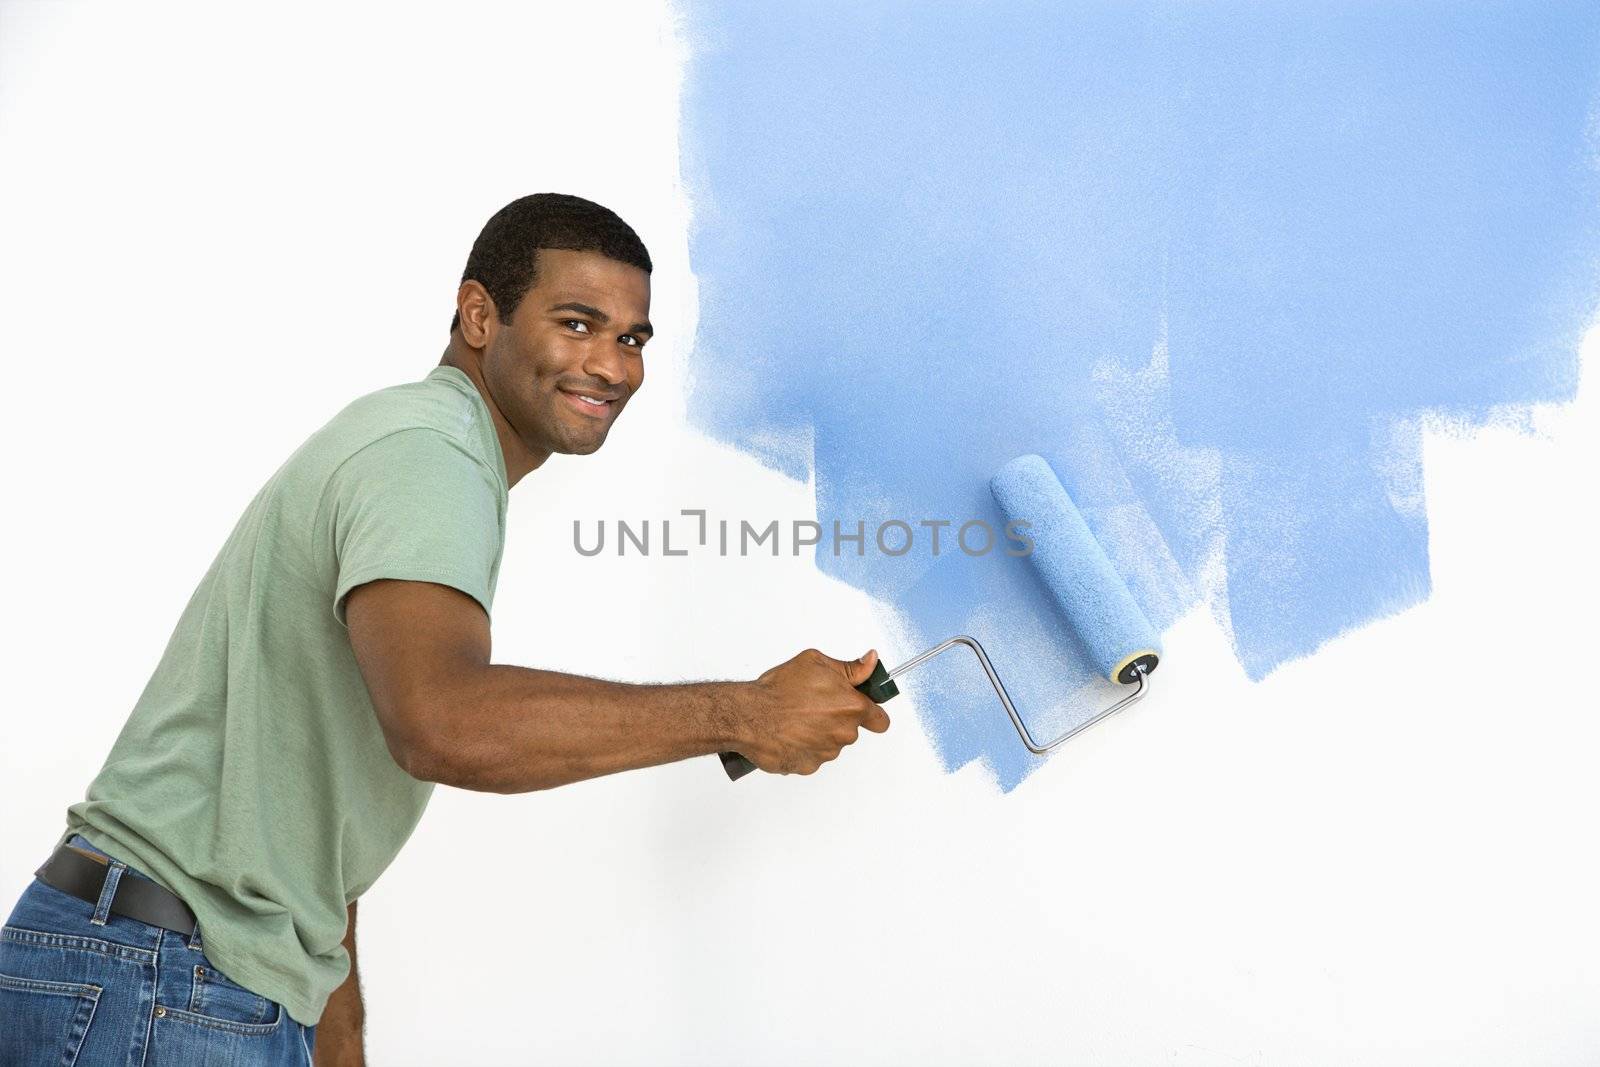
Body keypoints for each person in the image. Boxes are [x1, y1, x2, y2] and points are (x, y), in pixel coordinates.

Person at [0, 192, 892, 1066]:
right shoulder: (430, 455)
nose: (614, 365)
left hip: (171, 971)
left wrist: (334, 1027)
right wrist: (743, 712)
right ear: (479, 314)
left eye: (632, 337)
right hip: (162, 981)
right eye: (577, 323)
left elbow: (303, 780)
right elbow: (442, 721)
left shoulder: (418, 446)